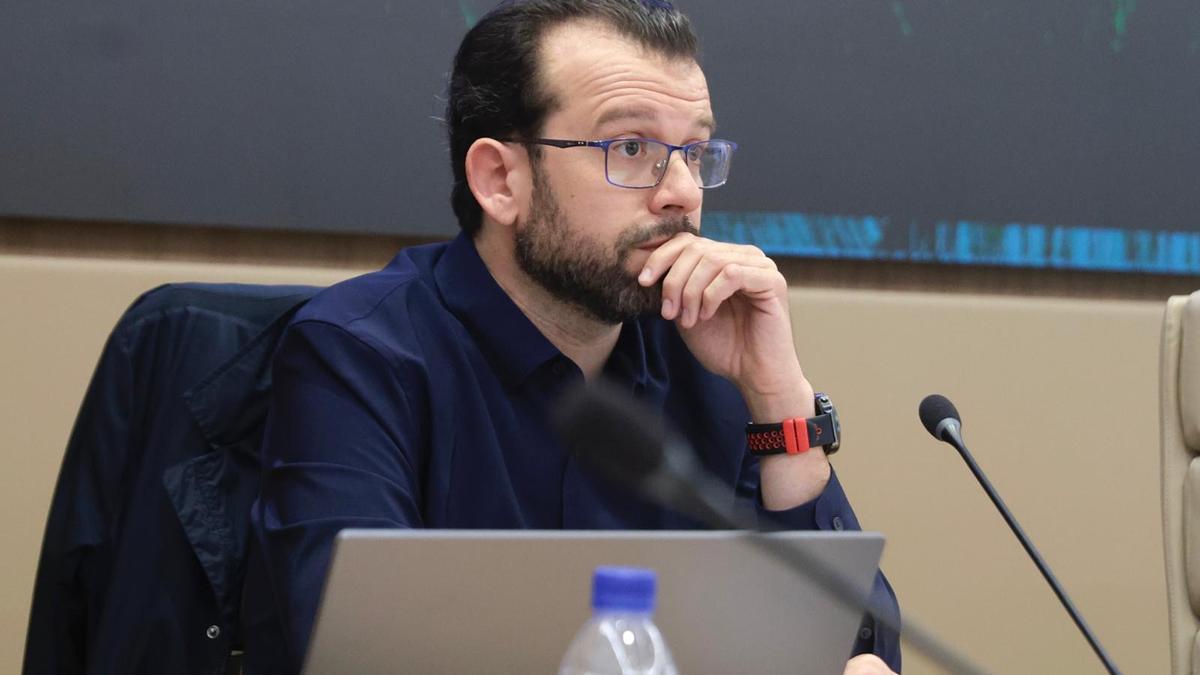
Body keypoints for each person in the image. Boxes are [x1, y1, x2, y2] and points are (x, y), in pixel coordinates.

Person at [242, 1, 901, 673]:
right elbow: (360, 648)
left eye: (695, 153)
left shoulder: (710, 357)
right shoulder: (359, 355)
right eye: (632, 148)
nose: (681, 193)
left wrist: (778, 395)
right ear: (501, 180)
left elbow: (858, 648)